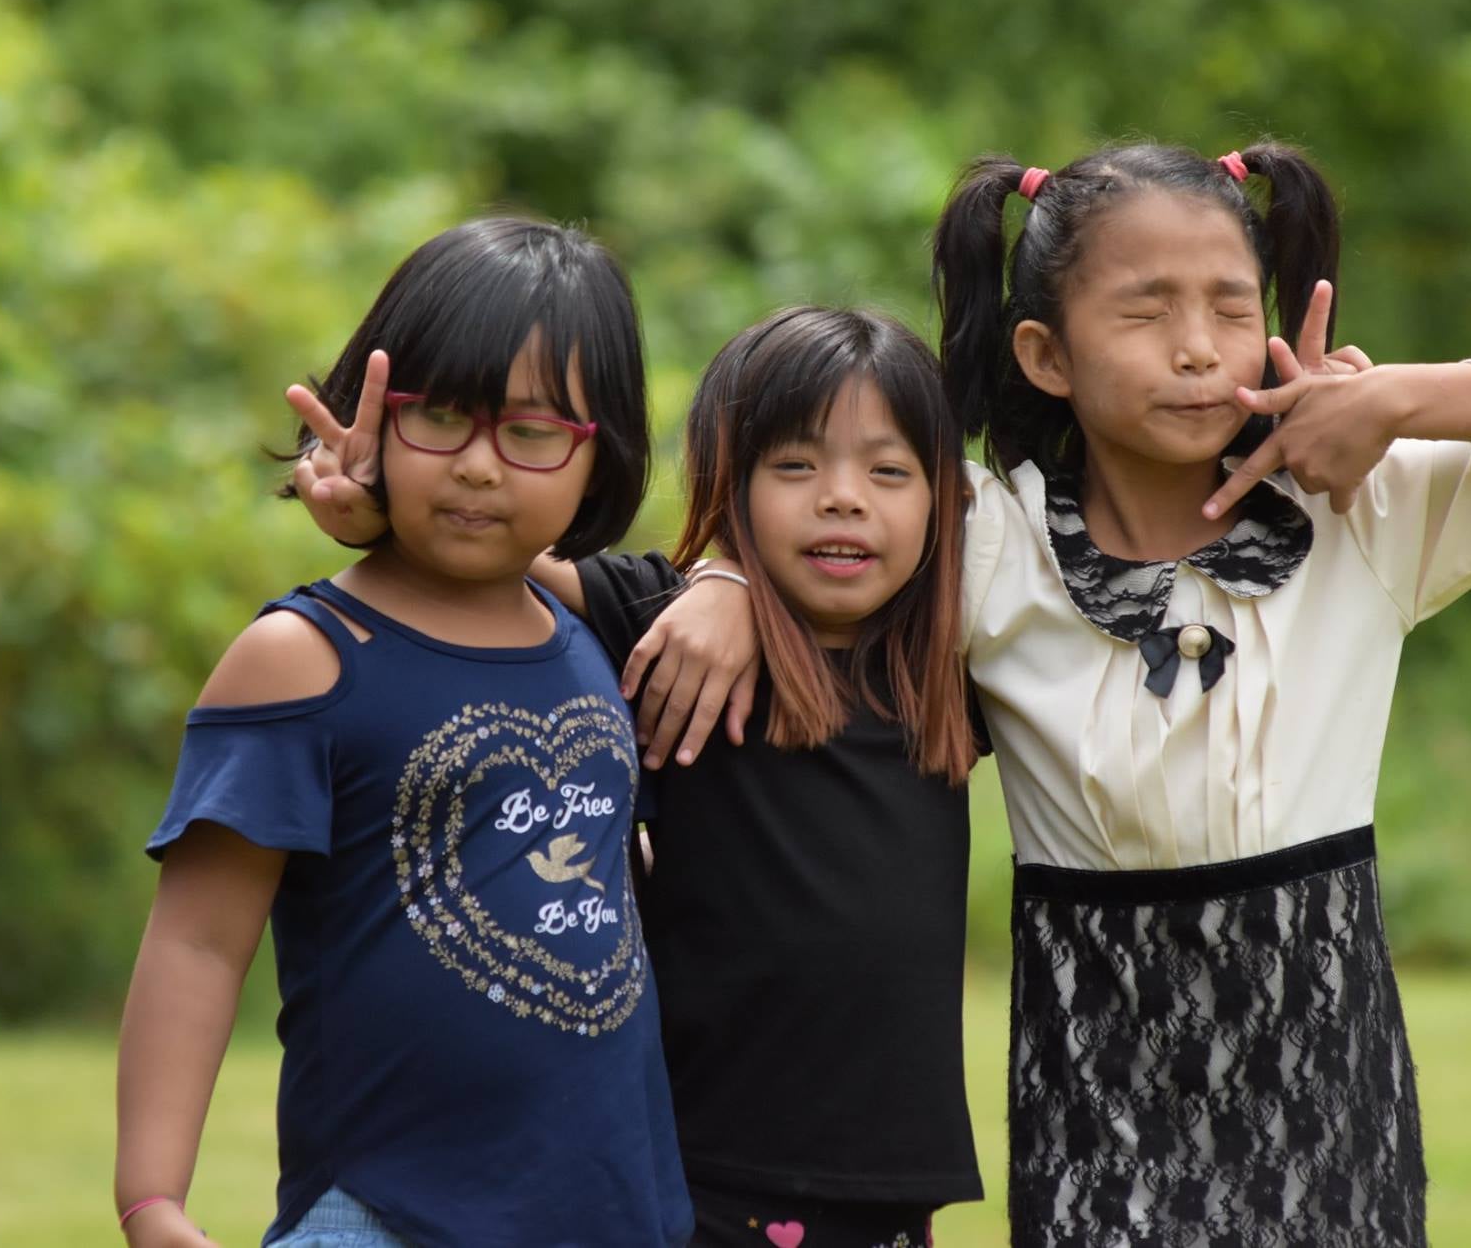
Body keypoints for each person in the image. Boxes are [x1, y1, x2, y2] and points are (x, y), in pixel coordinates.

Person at [932, 141, 1471, 1246]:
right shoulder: (992, 544)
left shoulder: (1363, 514)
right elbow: (817, 538)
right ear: (1044, 354)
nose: (1195, 347)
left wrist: (1400, 399)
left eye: (1232, 308)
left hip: (1330, 1116)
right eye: (1145, 312)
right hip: (1097, 1114)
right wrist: (727, 585)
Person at [291, 306, 986, 1247]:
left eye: (890, 471)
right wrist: (379, 505)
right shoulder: (666, 623)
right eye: (793, 465)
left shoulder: (951, 667)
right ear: (730, 483)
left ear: (945, 498)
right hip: (690, 1174)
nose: (843, 498)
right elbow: (499, 540)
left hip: (889, 1191)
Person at [115, 217, 692, 1248]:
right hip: (385, 1213)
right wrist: (152, 1199)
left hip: (612, 1213)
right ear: (369, 421)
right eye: (441, 418)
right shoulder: (303, 658)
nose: (478, 466)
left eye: (530, 432)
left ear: (597, 453)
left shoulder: (598, 649)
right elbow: (198, 943)